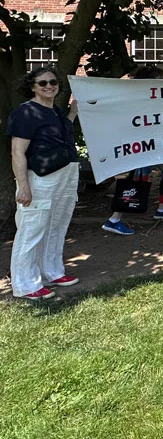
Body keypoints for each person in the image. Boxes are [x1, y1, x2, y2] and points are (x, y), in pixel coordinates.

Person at [7, 67, 80, 300]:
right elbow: (17, 152)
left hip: (64, 175)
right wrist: (23, 186)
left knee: (56, 225)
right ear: (32, 86)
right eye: (43, 83)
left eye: (53, 82)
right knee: (32, 228)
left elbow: (60, 136)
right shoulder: (26, 112)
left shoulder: (55, 111)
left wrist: (72, 113)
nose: (49, 86)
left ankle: (52, 272)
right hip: (41, 178)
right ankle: (25, 284)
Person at [102, 65, 163, 236]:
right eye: (160, 81)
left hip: (158, 144)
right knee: (138, 179)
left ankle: (162, 208)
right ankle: (114, 219)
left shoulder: (158, 99)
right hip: (143, 146)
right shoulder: (136, 100)